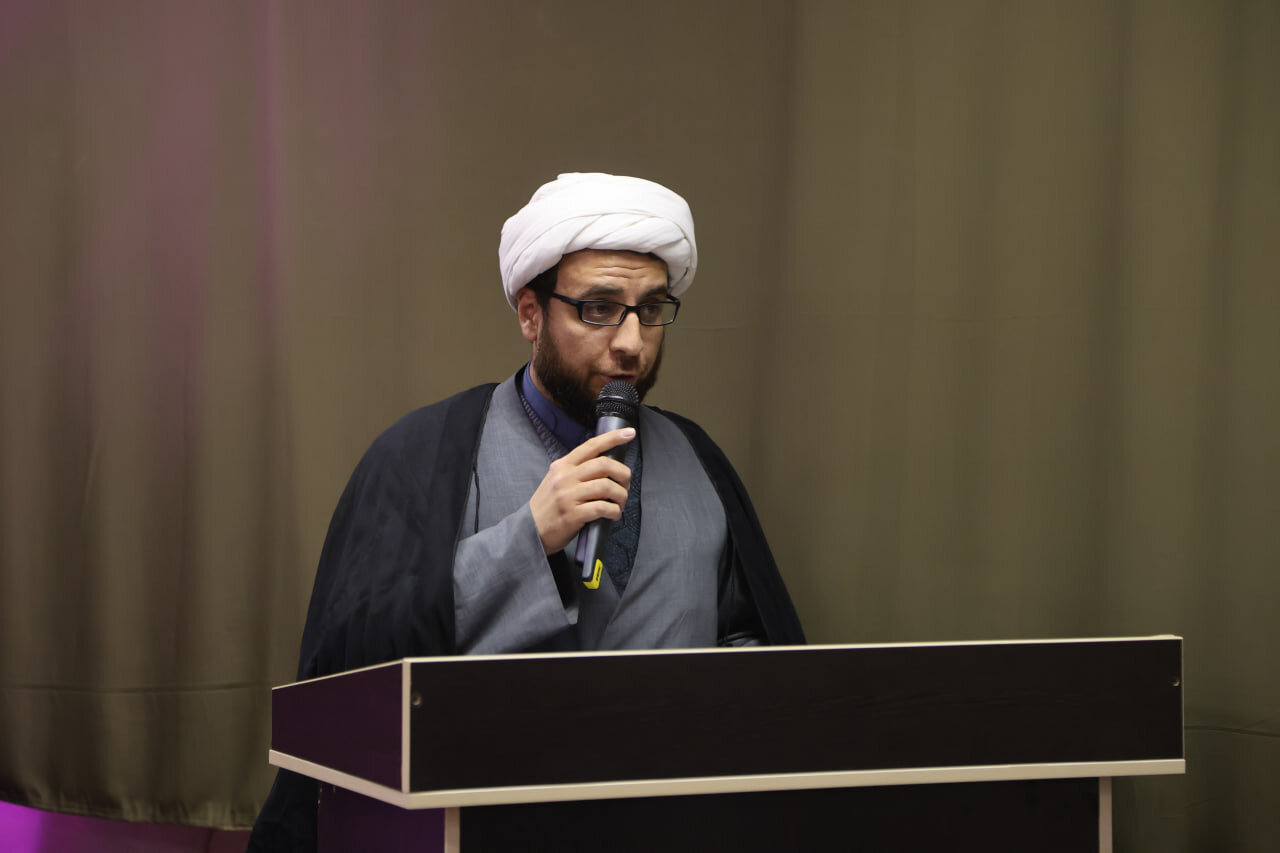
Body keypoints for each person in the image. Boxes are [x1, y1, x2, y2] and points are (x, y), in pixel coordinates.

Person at [248, 172, 804, 851]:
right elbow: (354, 666)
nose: (631, 341)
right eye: (599, 308)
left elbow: (759, 654)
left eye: (651, 308)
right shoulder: (422, 455)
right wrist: (528, 537)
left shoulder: (699, 460)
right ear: (531, 314)